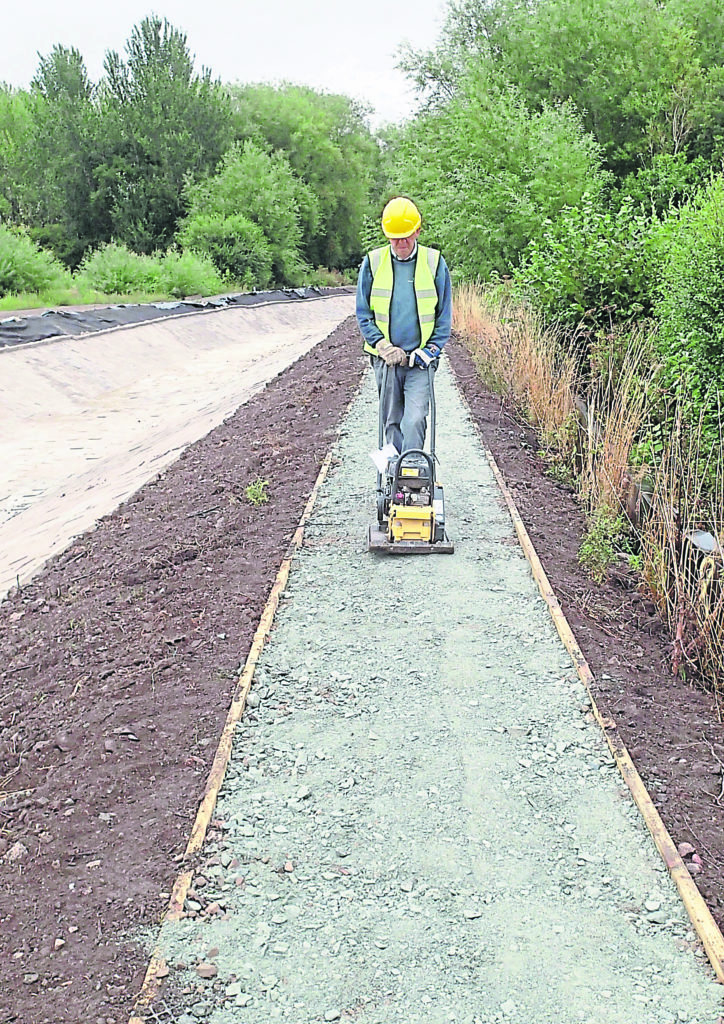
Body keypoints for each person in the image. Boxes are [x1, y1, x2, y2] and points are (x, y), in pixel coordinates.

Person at [356, 196, 452, 455]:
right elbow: (363, 313)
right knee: (392, 419)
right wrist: (382, 345)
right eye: (394, 237)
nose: (400, 243)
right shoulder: (373, 263)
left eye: (406, 236)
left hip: (419, 361)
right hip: (386, 360)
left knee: (415, 418)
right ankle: (393, 472)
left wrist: (429, 351)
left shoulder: (434, 263)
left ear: (417, 231)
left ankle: (413, 468)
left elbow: (444, 318)